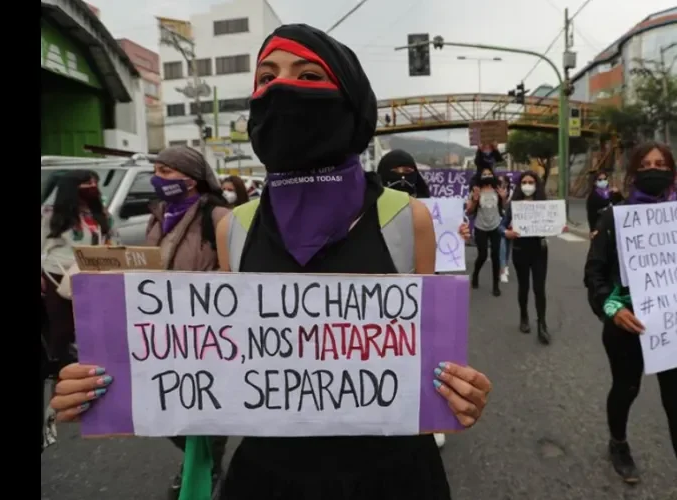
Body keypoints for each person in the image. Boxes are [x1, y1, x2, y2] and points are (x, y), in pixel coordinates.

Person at [51, 24, 488, 500]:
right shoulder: (233, 227)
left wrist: (457, 392)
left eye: (308, 75)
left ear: (351, 99)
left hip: (391, 474)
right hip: (271, 476)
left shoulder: (407, 219)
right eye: (266, 76)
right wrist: (106, 382)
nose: (281, 87)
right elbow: (216, 353)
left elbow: (422, 360)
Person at [583, 141, 677, 500]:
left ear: (672, 170)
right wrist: (613, 309)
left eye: (660, 163)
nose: (653, 169)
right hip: (626, 327)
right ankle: (618, 442)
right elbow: (594, 274)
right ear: (633, 173)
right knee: (626, 389)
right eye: (646, 164)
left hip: (675, 326)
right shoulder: (613, 217)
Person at [142, 145, 232, 499]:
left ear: (191, 180)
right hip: (161, 326)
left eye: (166, 171)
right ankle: (203, 458)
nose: (157, 178)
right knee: (165, 404)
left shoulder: (219, 216)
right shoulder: (159, 212)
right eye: (157, 170)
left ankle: (208, 465)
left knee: (206, 402)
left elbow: (233, 274)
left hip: (206, 327)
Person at [376, 149, 446, 449]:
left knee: (425, 349)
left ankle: (428, 417)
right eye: (396, 173)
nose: (403, 179)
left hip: (424, 287)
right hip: (383, 293)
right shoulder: (368, 210)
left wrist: (458, 233)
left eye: (408, 172)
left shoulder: (430, 209)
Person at [40, 170, 117, 368]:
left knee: (91, 324)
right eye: (87, 182)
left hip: (93, 272)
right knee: (63, 326)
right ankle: (62, 369)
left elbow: (114, 240)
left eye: (95, 182)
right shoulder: (50, 214)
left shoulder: (102, 213)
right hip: (57, 275)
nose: (93, 186)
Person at [501, 171, 551, 344]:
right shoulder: (513, 205)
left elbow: (553, 222)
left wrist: (559, 227)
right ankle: (524, 317)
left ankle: (542, 324)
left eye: (531, 182)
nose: (528, 185)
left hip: (539, 250)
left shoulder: (543, 204)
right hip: (520, 250)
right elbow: (501, 226)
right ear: (520, 185)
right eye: (524, 182)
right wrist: (507, 232)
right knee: (524, 286)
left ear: (536, 185)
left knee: (539, 288)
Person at [466, 166, 506, 296]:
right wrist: (475, 199)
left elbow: (503, 209)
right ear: (480, 177)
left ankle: (496, 285)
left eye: (489, 173)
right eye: (484, 174)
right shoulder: (475, 190)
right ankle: (476, 274)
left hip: (495, 227)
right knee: (482, 255)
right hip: (480, 227)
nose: (487, 175)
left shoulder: (497, 190)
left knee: (495, 256)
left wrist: (503, 198)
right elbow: (469, 211)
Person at [586, 171, 623, 239]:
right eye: (600, 180)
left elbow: (621, 204)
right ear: (595, 182)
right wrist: (592, 230)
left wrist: (618, 194)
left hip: (613, 227)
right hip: (600, 227)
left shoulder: (612, 193)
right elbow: (591, 215)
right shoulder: (593, 196)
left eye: (605, 179)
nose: (603, 181)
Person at [497, 175, 513, 283]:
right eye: (499, 181)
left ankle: (506, 264)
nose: (500, 183)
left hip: (510, 223)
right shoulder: (494, 193)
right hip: (499, 224)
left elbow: (508, 211)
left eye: (502, 182)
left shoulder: (512, 194)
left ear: (507, 183)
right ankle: (502, 270)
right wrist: (501, 198)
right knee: (502, 244)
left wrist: (504, 198)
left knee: (508, 245)